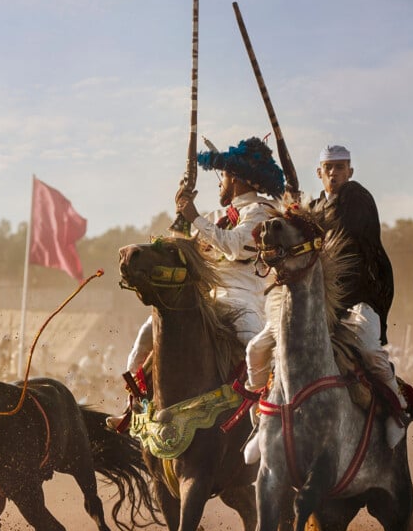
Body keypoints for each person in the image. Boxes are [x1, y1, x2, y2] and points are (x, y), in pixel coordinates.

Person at [107, 136, 285, 428]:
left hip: (246, 301)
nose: (220, 182)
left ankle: (267, 419)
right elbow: (184, 250)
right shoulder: (216, 216)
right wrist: (181, 214)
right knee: (146, 334)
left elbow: (236, 246)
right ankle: (134, 406)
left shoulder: (262, 212)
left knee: (256, 347)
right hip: (207, 297)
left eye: (225, 176)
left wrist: (194, 216)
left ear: (240, 179)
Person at [246, 143, 408, 450]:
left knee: (370, 351)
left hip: (356, 297)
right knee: (259, 347)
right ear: (319, 173)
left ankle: (396, 410)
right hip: (315, 302)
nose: (334, 173)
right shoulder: (317, 206)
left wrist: (301, 215)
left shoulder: (356, 198)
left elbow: (337, 230)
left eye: (340, 167)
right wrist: (293, 211)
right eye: (328, 168)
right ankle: (261, 417)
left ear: (350, 171)